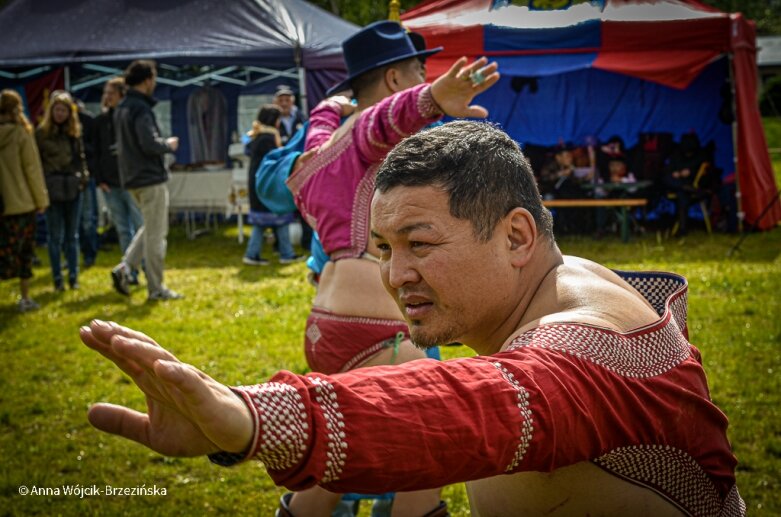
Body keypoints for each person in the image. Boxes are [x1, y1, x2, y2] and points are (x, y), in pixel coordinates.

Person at [81, 121, 744, 516]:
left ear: (516, 236)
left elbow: (478, 407)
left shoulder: (582, 335)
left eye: (419, 244)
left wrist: (258, 419)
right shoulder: (559, 277)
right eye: (383, 250)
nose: (395, 277)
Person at [109, 60, 181, 301]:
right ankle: (156, 289)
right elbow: (148, 143)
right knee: (156, 235)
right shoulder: (140, 108)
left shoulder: (122, 107)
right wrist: (168, 145)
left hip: (132, 178)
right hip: (149, 178)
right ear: (148, 79)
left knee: (150, 227)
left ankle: (124, 267)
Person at [0, 89, 49, 311]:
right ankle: (25, 297)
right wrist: (41, 200)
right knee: (24, 253)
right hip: (21, 203)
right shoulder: (21, 133)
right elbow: (32, 169)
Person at [36, 91, 87, 292]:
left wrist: (83, 178)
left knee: (72, 236)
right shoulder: (41, 133)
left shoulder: (74, 133)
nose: (60, 113)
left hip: (72, 188)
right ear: (51, 111)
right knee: (54, 237)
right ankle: (58, 279)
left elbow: (81, 158)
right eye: (57, 109)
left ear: (69, 112)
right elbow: (36, 163)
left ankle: (73, 277)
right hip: (52, 188)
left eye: (64, 110)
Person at [94, 77, 143, 284]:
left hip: (131, 182)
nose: (107, 97)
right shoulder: (101, 122)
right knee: (123, 229)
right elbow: (95, 153)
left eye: (111, 93)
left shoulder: (128, 117)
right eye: (105, 93)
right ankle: (129, 273)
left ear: (122, 95)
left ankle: (150, 273)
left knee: (142, 228)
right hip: (111, 184)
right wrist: (100, 179)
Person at [243, 104, 302, 266]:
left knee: (266, 223)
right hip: (266, 186)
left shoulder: (258, 136)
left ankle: (282, 252)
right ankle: (279, 253)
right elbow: (276, 160)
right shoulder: (268, 138)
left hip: (259, 184)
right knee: (276, 220)